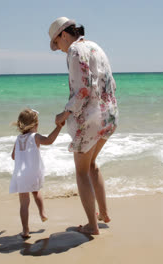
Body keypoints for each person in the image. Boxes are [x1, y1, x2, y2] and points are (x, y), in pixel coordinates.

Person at [48, 17, 118, 235]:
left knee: (81, 171)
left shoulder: (75, 51)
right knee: (91, 164)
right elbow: (109, 82)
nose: (59, 49)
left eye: (57, 43)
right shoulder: (95, 46)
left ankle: (91, 225)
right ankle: (103, 213)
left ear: (63, 35)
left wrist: (65, 112)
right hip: (109, 114)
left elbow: (84, 89)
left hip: (89, 118)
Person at [10, 108, 64, 239]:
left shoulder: (18, 139)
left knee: (24, 204)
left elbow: (13, 156)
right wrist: (58, 128)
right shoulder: (36, 137)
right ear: (36, 125)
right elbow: (49, 140)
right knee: (36, 192)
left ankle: (25, 230)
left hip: (20, 175)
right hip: (33, 173)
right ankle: (42, 213)